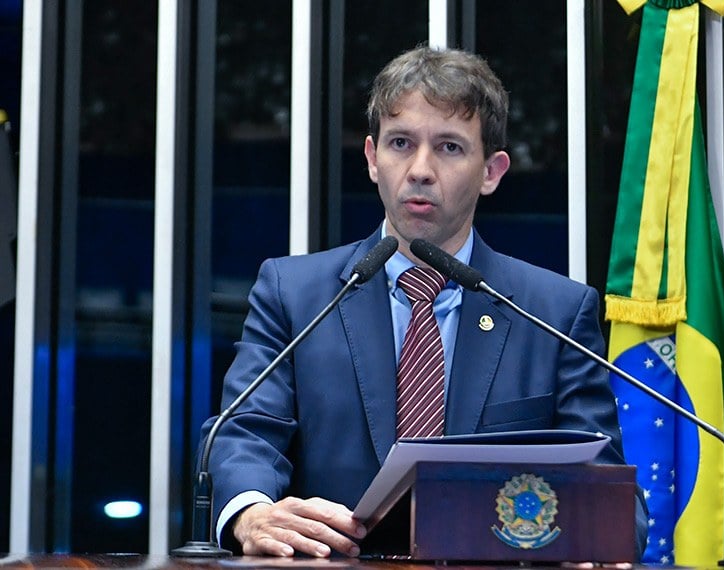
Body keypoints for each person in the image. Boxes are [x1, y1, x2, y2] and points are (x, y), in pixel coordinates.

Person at [201, 45, 647, 559]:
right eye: (400, 143)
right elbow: (245, 433)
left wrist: (601, 534)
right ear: (372, 159)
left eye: (450, 148)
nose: (419, 169)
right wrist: (251, 512)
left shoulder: (553, 312)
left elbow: (613, 495)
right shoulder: (295, 294)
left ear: (492, 171)